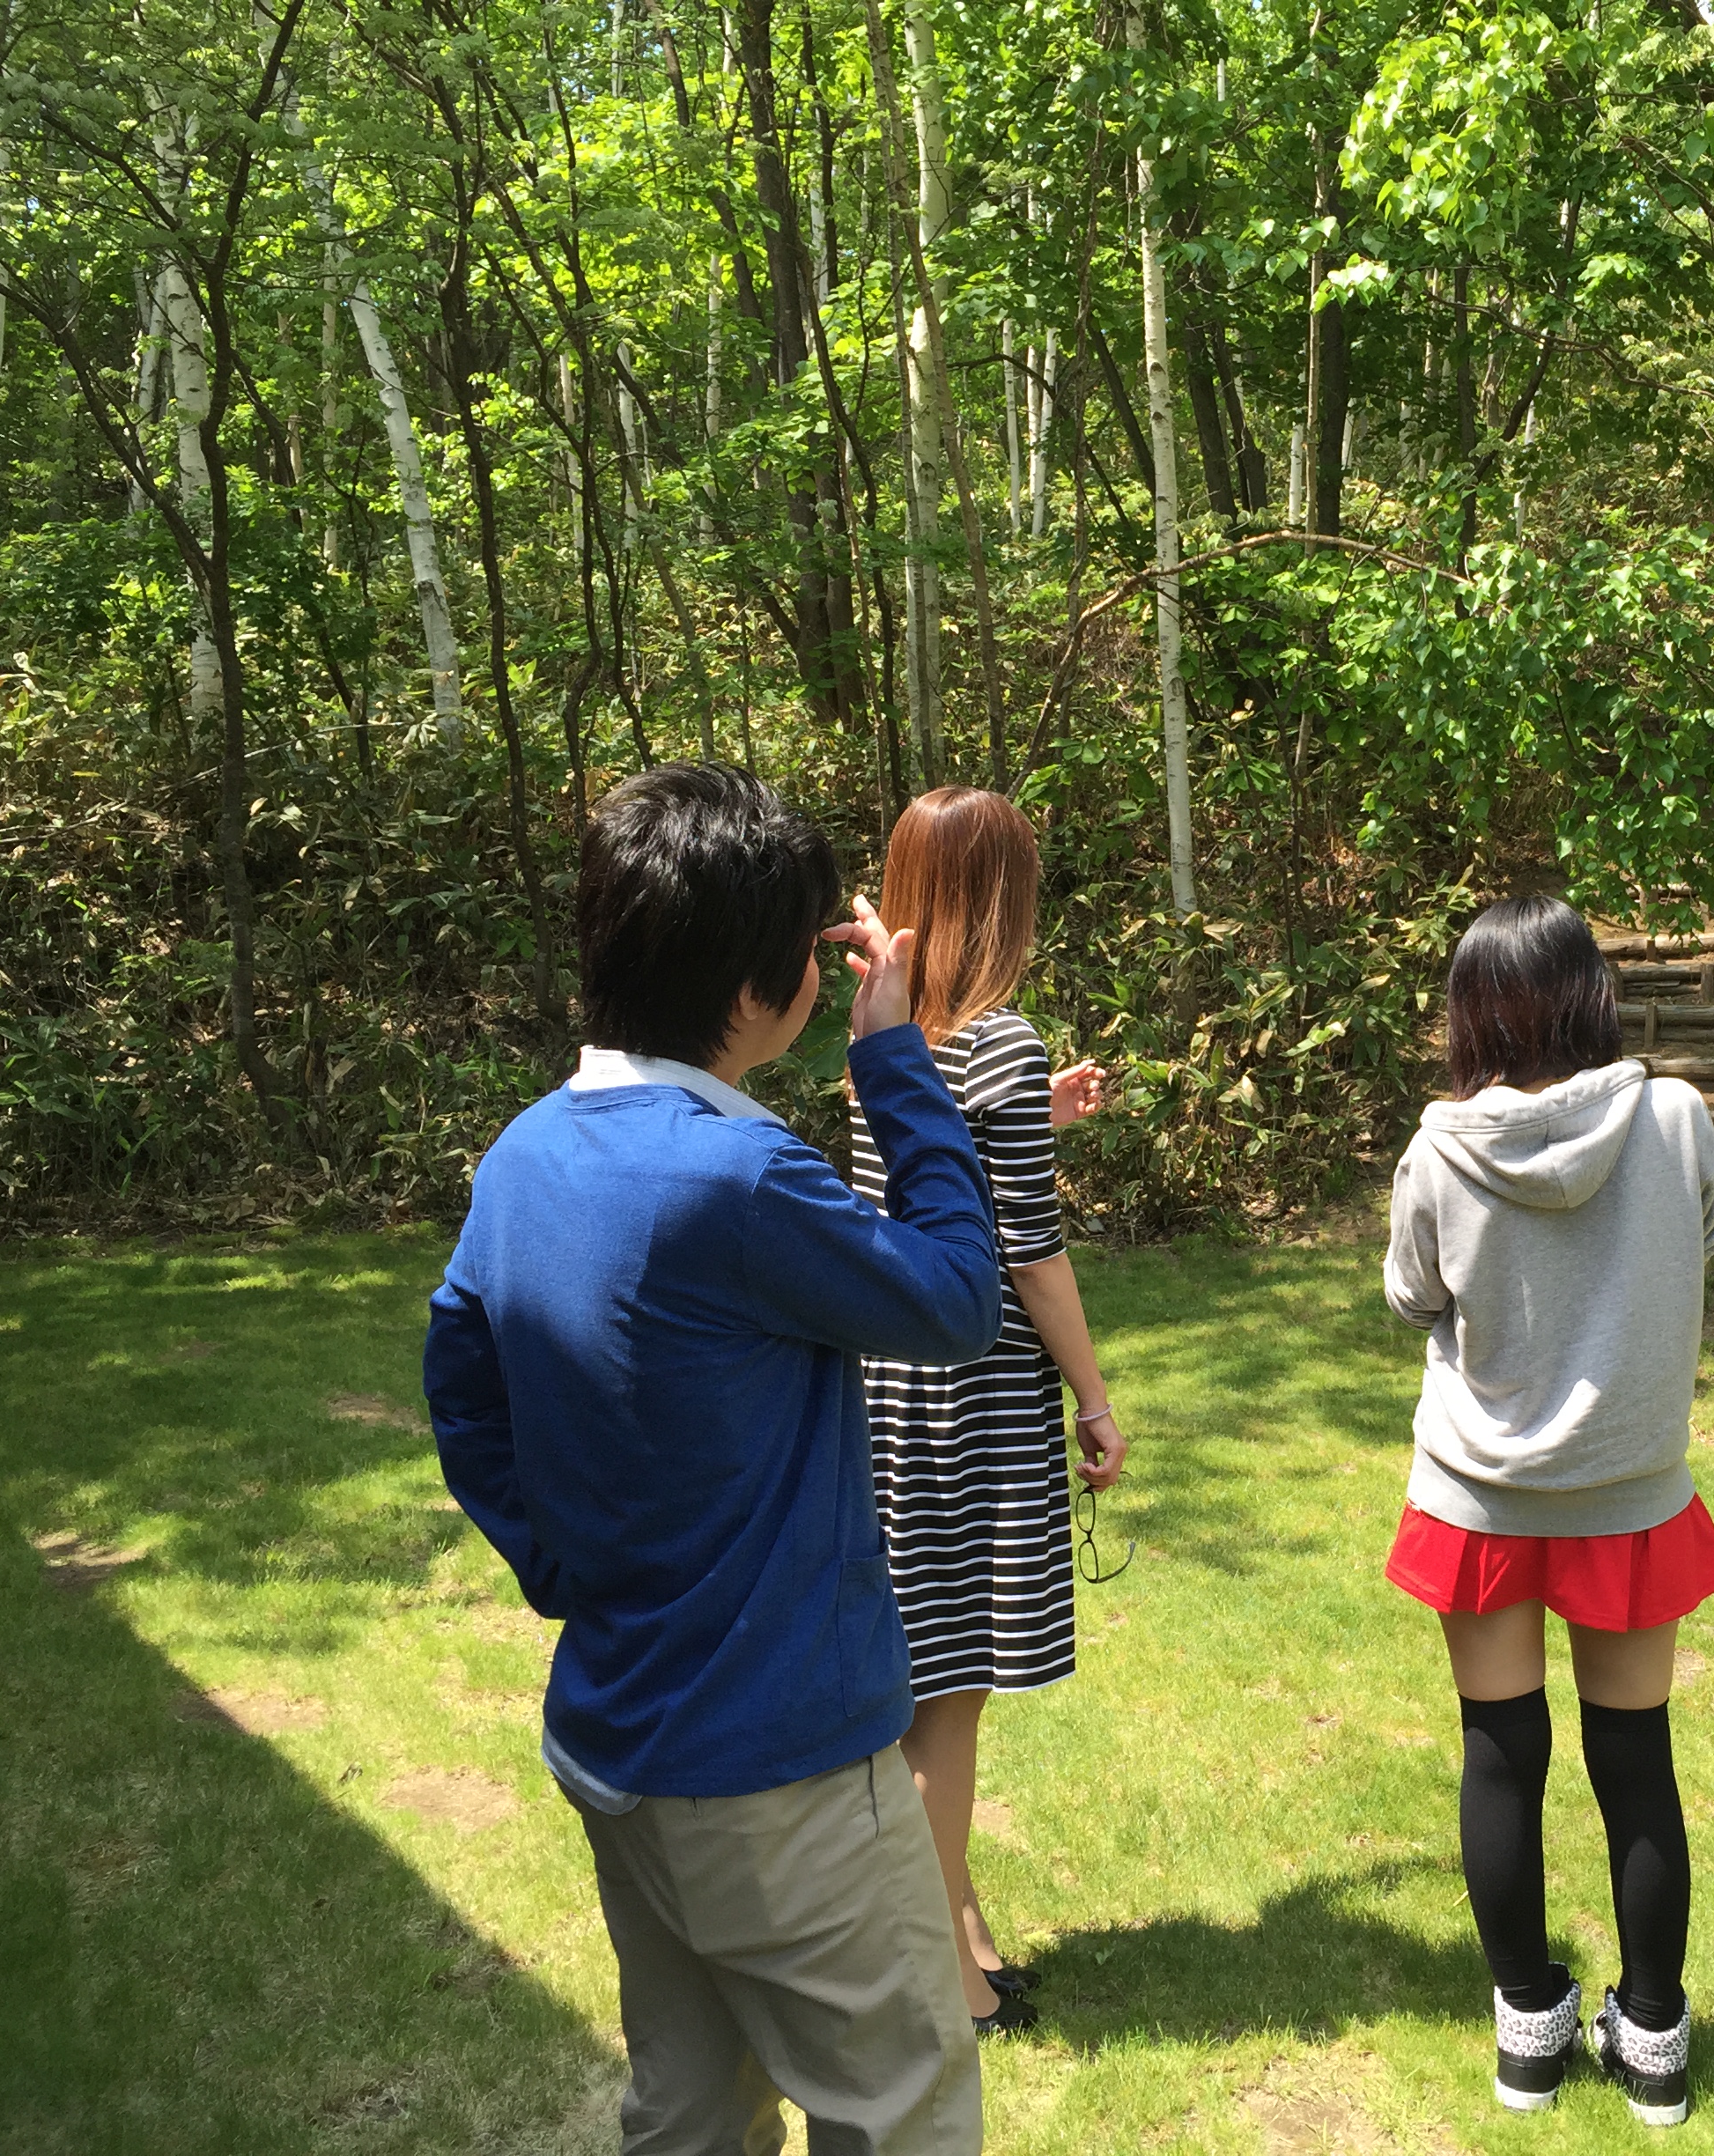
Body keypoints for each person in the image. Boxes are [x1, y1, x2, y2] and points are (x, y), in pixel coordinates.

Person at [425, 763, 1001, 2156]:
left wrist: (561, 1566)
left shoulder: (526, 1156)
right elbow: (956, 1297)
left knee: (688, 2114)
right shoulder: (738, 1179)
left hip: (619, 1749)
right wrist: (893, 1057)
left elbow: (464, 1389)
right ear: (762, 987)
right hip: (782, 1772)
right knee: (904, 2115)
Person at [1382, 893, 1714, 2130]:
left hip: (1479, 1495)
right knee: (1635, 1760)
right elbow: (1701, 1239)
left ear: (1472, 1012)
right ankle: (1653, 2044)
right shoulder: (1675, 1117)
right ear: (1591, 992)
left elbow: (1413, 1295)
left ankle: (1528, 2036)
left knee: (1500, 1753)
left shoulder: (1439, 1150)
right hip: (1627, 1492)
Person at [847, 786, 1127, 2038]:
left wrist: (1038, 1114)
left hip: (891, 1386)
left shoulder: (886, 1033)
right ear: (999, 898)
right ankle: (941, 1986)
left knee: (924, 1681)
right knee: (949, 1700)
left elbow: (925, 1168)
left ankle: (961, 1935)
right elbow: (1031, 1254)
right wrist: (1094, 1397)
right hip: (973, 1391)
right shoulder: (999, 1040)